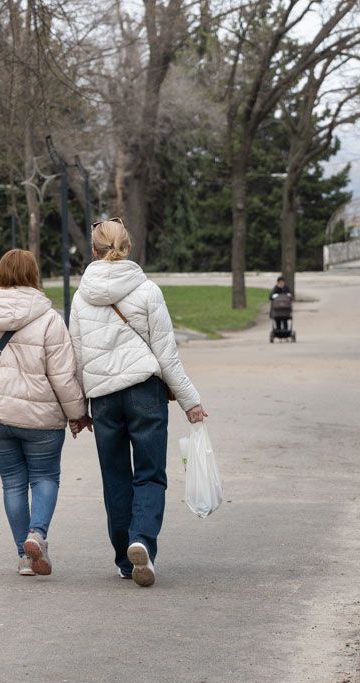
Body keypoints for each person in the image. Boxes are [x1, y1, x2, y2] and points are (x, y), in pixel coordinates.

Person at [69, 218, 208, 587]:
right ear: (127, 247)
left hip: (103, 398)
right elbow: (166, 353)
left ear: (94, 250)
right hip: (144, 390)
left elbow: (77, 357)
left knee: (115, 477)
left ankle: (124, 559)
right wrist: (189, 400)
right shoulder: (148, 291)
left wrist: (78, 410)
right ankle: (141, 539)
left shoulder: (82, 295)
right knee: (150, 473)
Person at [0, 249, 85, 577]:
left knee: (13, 482)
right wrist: (76, 413)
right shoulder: (49, 318)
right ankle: (37, 535)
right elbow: (63, 375)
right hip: (40, 419)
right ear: (33, 274)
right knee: (44, 477)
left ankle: (24, 558)